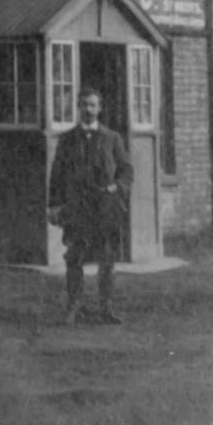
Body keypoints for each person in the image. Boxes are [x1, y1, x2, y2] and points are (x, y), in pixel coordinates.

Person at [46, 87, 134, 324]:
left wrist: (117, 187)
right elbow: (57, 174)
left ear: (100, 108)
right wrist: (54, 205)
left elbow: (126, 170)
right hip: (77, 209)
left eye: (93, 105)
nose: (88, 109)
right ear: (78, 107)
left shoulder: (112, 138)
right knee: (74, 258)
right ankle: (74, 307)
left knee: (107, 260)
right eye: (84, 104)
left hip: (105, 209)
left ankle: (106, 308)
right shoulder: (67, 140)